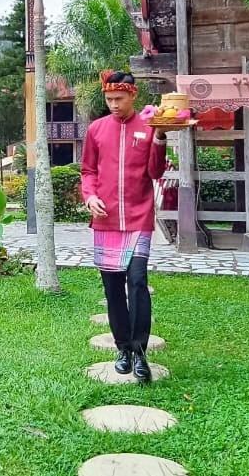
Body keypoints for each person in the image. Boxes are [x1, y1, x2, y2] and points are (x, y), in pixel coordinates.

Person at [80, 70, 168, 383]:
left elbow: (156, 172)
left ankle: (140, 351)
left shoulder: (148, 126)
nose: (113, 104)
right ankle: (123, 350)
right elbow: (88, 170)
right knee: (113, 288)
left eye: (119, 98)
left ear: (133, 95)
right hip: (105, 220)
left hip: (139, 216)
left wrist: (159, 137)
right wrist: (89, 197)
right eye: (109, 99)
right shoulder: (96, 129)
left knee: (138, 281)